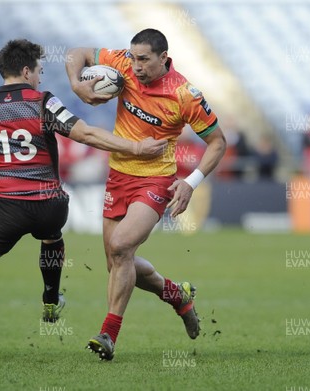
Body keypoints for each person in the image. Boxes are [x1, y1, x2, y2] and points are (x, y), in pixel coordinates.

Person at [0, 39, 167, 359]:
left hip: (8, 206)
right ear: (27, 71)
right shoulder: (44, 102)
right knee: (51, 236)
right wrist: (135, 148)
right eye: (39, 71)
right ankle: (51, 300)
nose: (41, 77)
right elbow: (85, 134)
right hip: (50, 204)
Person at [65, 28, 226, 360]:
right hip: (118, 175)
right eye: (133, 57)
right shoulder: (123, 64)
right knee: (117, 263)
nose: (136, 66)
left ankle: (108, 335)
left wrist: (191, 182)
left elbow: (218, 142)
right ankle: (177, 296)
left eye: (144, 60)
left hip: (155, 181)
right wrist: (76, 85)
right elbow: (77, 53)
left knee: (121, 246)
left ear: (163, 58)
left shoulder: (184, 94)